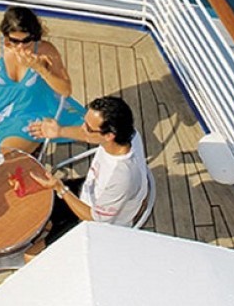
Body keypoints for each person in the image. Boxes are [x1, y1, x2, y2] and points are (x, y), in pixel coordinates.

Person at [0, 5, 86, 155]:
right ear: (6, 36)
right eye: (14, 41)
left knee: (5, 155)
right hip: (0, 113)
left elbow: (65, 90)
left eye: (26, 40)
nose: (21, 47)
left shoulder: (45, 50)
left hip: (32, 113)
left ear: (34, 35)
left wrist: (40, 69)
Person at [28, 96, 149, 245]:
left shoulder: (121, 177)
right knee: (34, 206)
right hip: (87, 192)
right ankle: (52, 225)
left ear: (109, 136)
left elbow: (95, 219)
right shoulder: (129, 134)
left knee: (31, 255)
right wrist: (59, 131)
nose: (82, 128)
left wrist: (61, 189)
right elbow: (87, 135)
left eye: (88, 128)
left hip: (95, 224)